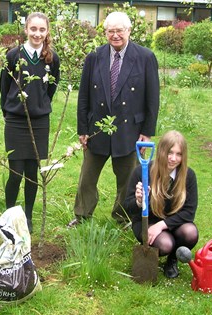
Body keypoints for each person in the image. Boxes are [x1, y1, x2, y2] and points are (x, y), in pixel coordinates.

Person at [68, 11, 160, 227]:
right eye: (111, 31)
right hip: (97, 130)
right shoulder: (94, 57)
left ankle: (123, 217)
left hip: (130, 130)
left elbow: (152, 98)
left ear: (129, 31)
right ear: (105, 32)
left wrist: (146, 132)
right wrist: (83, 128)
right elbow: (84, 96)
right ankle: (82, 216)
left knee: (128, 180)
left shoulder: (145, 57)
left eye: (120, 30)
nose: (116, 35)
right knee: (87, 178)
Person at [0, 12, 60, 234]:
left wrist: (40, 104)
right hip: (16, 121)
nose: (37, 33)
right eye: (33, 29)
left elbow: (52, 86)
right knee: (16, 172)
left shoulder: (51, 58)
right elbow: (4, 85)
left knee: (32, 174)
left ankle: (28, 216)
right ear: (26, 29)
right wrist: (9, 109)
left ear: (47, 31)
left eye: (42, 30)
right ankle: (8, 217)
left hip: (39, 122)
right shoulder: (14, 55)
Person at [123, 130, 199, 278]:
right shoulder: (142, 172)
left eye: (179, 154)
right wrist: (139, 202)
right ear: (161, 151)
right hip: (147, 221)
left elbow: (189, 213)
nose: (173, 158)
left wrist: (162, 225)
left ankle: (172, 260)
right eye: (170, 153)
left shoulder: (188, 176)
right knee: (166, 244)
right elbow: (127, 206)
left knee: (190, 233)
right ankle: (162, 251)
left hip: (173, 222)